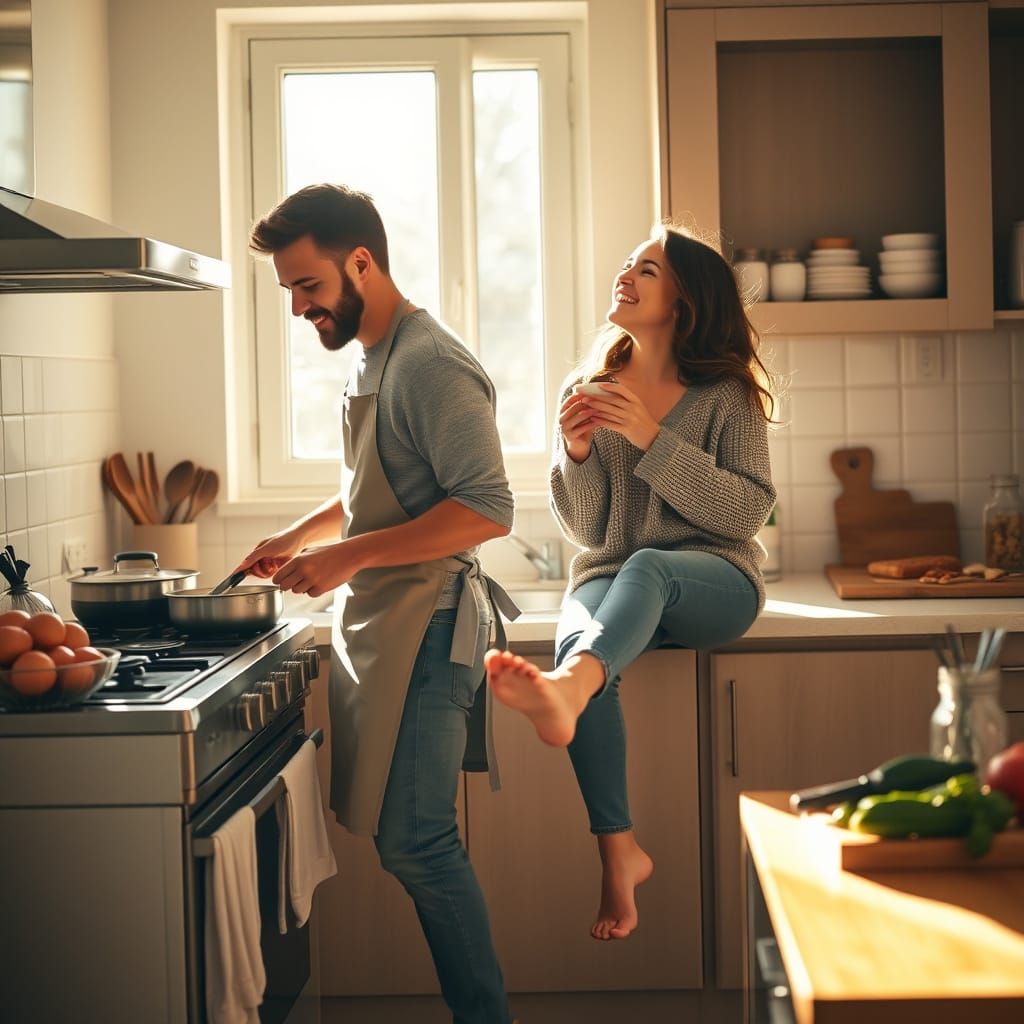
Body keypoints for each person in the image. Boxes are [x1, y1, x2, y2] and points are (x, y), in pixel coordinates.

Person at [236, 184, 520, 1024]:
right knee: (410, 841)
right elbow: (379, 489)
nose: (296, 307)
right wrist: (296, 539)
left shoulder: (431, 360)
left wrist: (345, 558)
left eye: (309, 286)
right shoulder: (371, 353)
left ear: (362, 262)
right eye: (287, 290)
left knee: (417, 842)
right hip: (391, 625)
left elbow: (485, 508)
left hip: (432, 630)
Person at [485, 221, 776, 943]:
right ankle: (620, 853)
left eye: (646, 269)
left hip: (717, 581)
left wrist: (652, 438)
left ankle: (569, 690)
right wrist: (578, 452)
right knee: (584, 629)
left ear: (683, 298)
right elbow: (589, 532)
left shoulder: (728, 396)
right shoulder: (590, 388)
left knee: (639, 579)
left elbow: (746, 511)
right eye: (628, 263)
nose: (626, 275)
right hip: (616, 575)